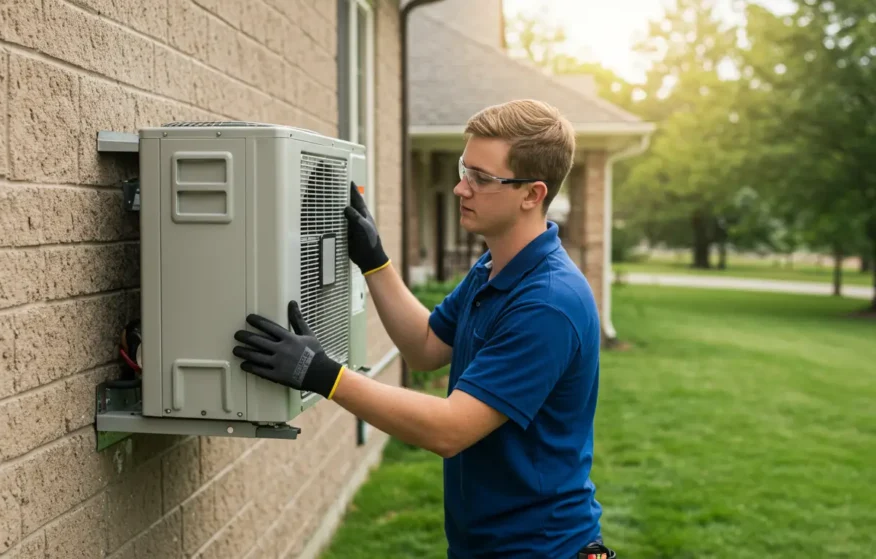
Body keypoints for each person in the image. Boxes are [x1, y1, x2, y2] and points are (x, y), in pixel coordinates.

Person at [232, 99, 615, 559]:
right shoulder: (495, 266)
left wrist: (324, 375)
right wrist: (374, 261)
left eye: (481, 178)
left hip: (541, 548)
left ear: (532, 194)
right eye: (463, 168)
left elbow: (449, 429)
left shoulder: (548, 303)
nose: (459, 188)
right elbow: (428, 347)